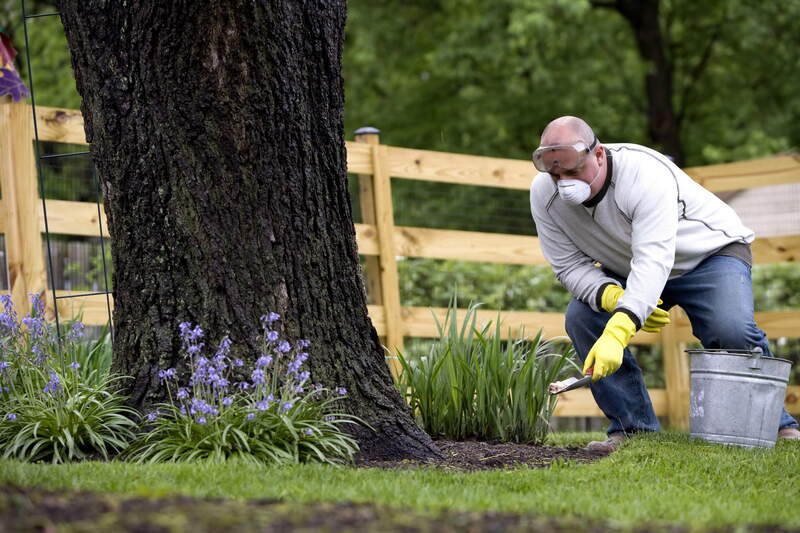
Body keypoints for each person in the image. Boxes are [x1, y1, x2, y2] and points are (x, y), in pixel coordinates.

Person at [529, 116, 800, 453]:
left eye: (573, 172)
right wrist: (612, 296)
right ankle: (633, 431)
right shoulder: (544, 196)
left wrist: (620, 328)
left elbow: (654, 258)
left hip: (707, 254)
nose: (564, 183)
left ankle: (777, 425)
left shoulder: (643, 174)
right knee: (583, 318)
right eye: (556, 175)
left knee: (729, 328)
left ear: (598, 154)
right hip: (629, 266)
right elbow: (568, 265)